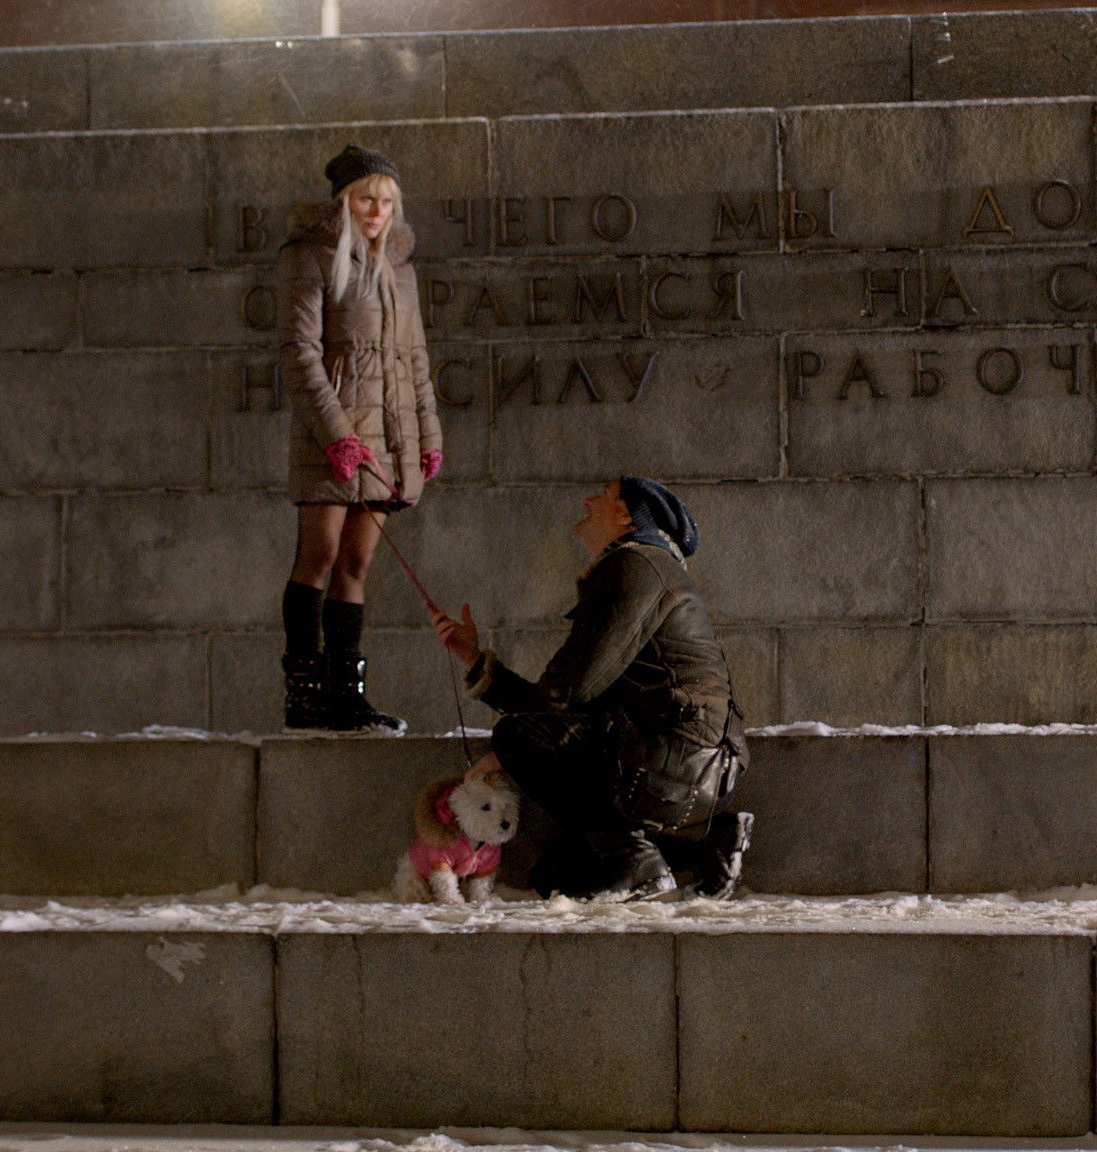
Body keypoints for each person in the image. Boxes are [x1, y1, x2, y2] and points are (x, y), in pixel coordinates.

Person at [429, 477, 753, 902]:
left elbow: (565, 693)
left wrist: (512, 748)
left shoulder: (636, 566)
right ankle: (707, 848)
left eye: (603, 494)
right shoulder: (642, 569)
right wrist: (473, 660)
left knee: (515, 735)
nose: (586, 500)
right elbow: (579, 697)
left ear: (627, 517)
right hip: (689, 767)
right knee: (554, 877)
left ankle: (637, 861)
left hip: (677, 761)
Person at [277, 145, 442, 735]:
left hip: (387, 442)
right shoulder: (311, 256)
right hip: (331, 438)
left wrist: (426, 437)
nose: (377, 211)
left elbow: (415, 360)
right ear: (343, 201)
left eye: (387, 201)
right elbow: (300, 355)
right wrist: (337, 437)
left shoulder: (400, 269)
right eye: (367, 199)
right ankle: (305, 696)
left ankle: (349, 697)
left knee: (356, 564)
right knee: (319, 557)